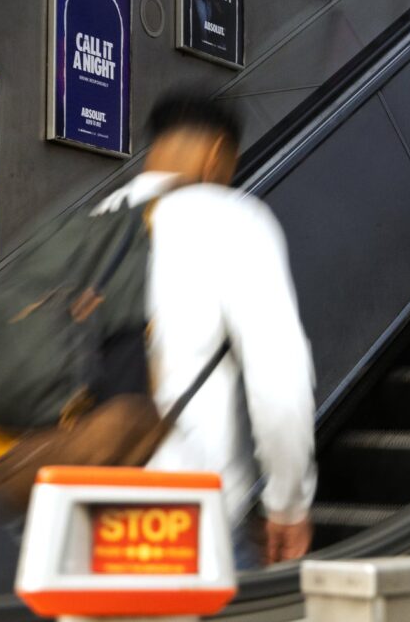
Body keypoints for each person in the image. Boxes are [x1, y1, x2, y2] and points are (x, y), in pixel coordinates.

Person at [90, 93, 316, 568]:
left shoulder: (96, 222)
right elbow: (279, 375)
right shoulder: (234, 218)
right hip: (183, 518)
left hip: (84, 512)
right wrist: (288, 503)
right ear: (217, 153)